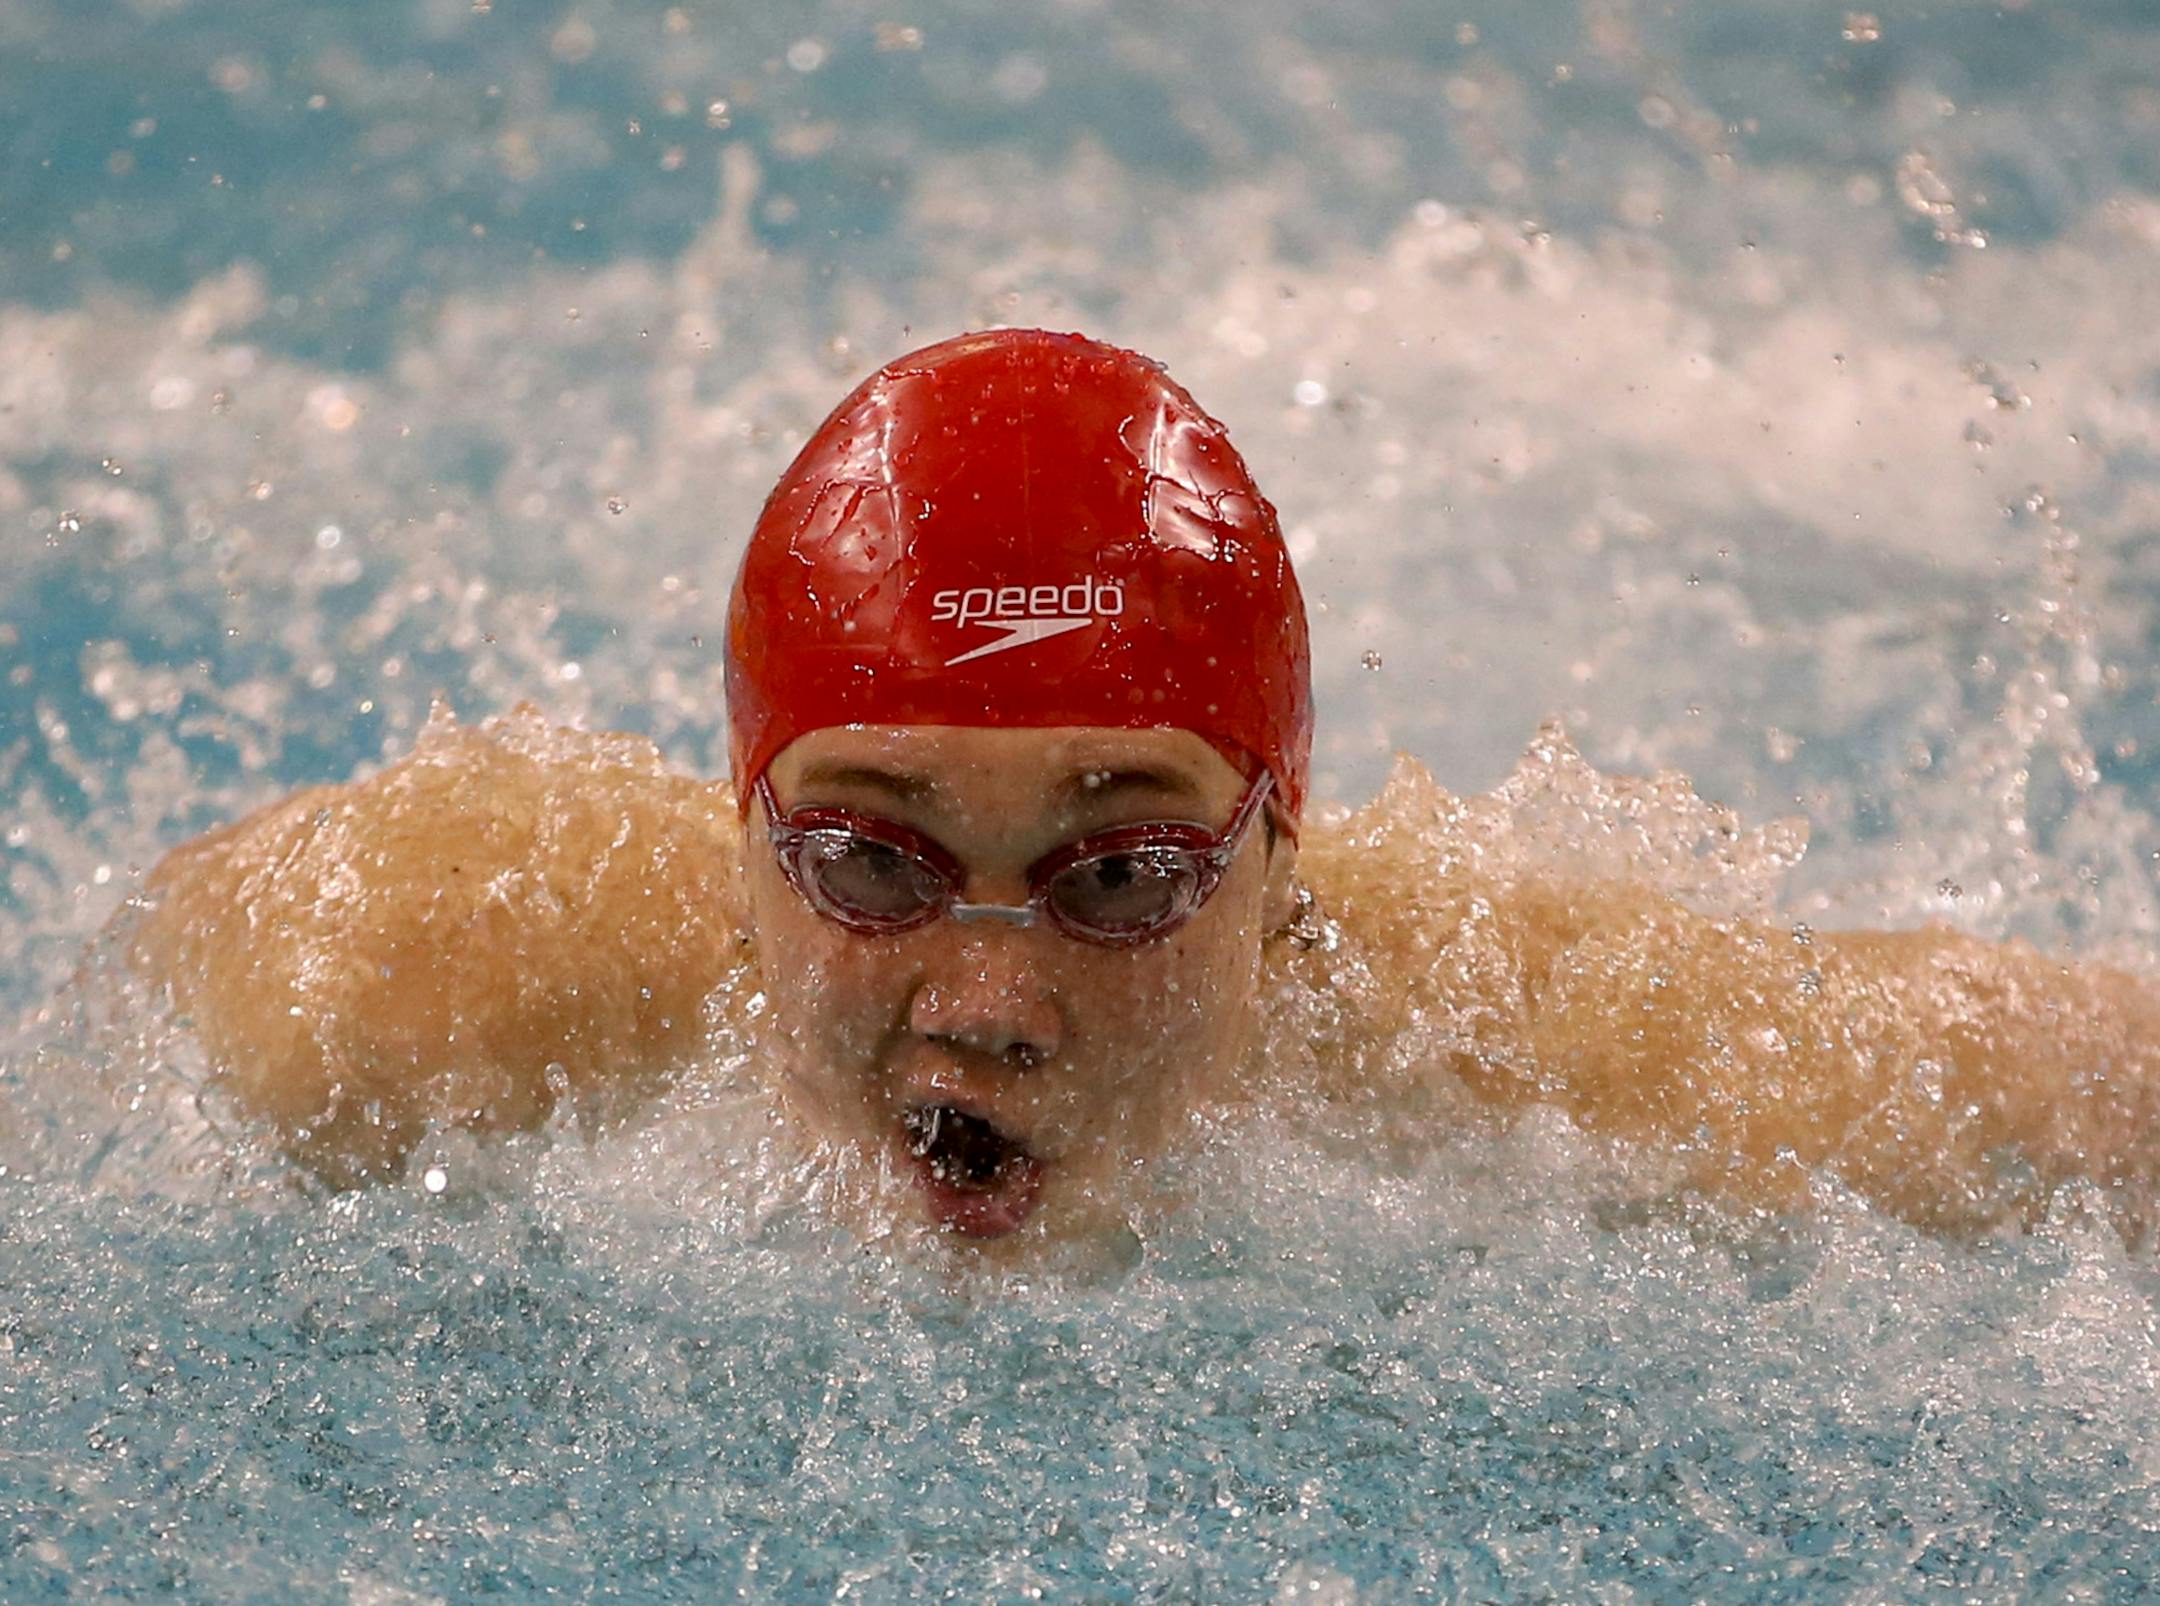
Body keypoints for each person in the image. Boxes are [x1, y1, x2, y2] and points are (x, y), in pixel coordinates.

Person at [126, 330, 2160, 1241]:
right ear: (740, 834)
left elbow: (2074, 1078)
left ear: (1281, 859)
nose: (989, 1000)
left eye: (1119, 874)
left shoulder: (1559, 1058)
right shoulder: (387, 983)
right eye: (868, 859)